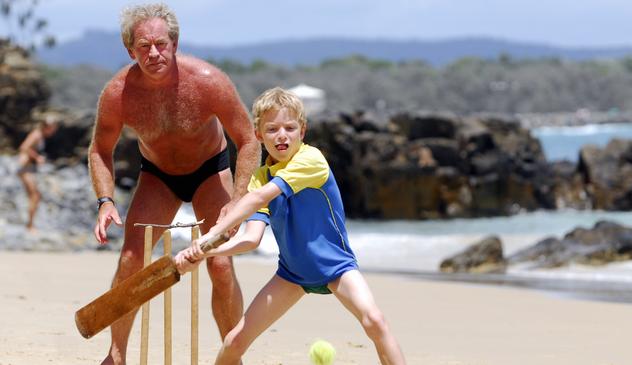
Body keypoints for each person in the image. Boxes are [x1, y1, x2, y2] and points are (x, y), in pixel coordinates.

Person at [175, 87, 406, 365]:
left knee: (375, 321)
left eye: (289, 127)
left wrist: (209, 236)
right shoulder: (259, 177)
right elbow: (251, 240)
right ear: (259, 135)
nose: (281, 135)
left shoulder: (311, 160)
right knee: (234, 341)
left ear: (302, 131)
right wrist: (205, 252)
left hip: (336, 267)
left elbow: (261, 197)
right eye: (271, 129)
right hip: (291, 274)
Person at [87, 3, 260, 364]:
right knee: (132, 259)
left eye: (161, 44)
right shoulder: (118, 94)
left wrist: (239, 200)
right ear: (130, 50)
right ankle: (115, 355)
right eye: (144, 46)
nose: (153, 53)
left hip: (209, 172)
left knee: (220, 264)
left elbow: (248, 139)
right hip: (158, 175)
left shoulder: (208, 81)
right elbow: (100, 150)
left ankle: (233, 357)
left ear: (175, 43)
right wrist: (105, 201)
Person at [17, 115, 59, 232]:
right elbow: (24, 147)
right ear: (47, 127)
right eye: (52, 128)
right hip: (25, 169)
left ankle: (30, 224)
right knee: (35, 196)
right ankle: (30, 226)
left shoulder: (40, 135)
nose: (53, 131)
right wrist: (37, 158)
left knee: (34, 196)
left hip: (29, 169)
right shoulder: (36, 134)